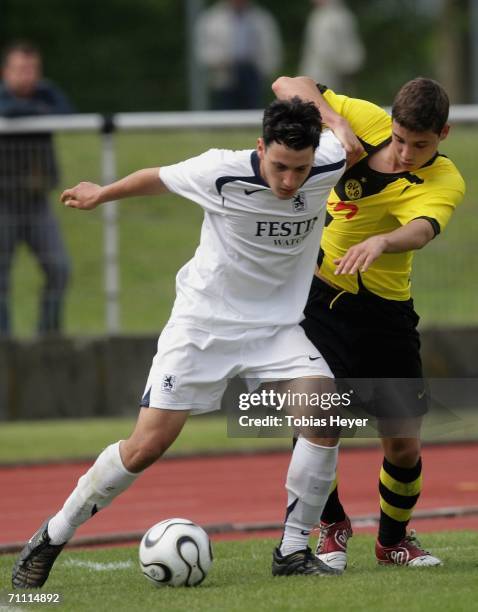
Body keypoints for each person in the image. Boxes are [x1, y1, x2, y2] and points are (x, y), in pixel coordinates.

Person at [12, 96, 348, 588]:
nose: (290, 181)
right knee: (146, 446)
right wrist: (101, 193)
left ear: (315, 156)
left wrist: (324, 107)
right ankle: (52, 535)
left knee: (325, 411)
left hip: (275, 331)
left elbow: (350, 141)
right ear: (260, 148)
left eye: (300, 169)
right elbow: (157, 176)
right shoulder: (221, 171)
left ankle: (293, 548)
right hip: (203, 326)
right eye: (279, 167)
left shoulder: (330, 162)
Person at [272, 75, 465, 568]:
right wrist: (334, 122)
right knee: (315, 415)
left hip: (386, 314)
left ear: (443, 134)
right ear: (390, 123)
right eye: (400, 139)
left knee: (402, 444)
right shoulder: (366, 121)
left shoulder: (445, 179)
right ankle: (330, 527)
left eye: (419, 144)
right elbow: (287, 83)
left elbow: (421, 230)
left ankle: (393, 541)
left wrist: (382, 242)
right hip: (322, 301)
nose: (404, 152)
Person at [0, 41, 73, 337]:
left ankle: (48, 336)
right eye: (19, 69)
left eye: (32, 69)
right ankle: (4, 343)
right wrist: (35, 113)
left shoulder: (48, 93)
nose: (26, 76)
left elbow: (68, 114)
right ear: (5, 72)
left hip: (37, 200)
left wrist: (28, 111)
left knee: (59, 267)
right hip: (3, 201)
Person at [195, 0, 283, 109]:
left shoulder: (261, 18)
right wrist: (223, 61)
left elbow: (271, 48)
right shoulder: (212, 18)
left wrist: (265, 71)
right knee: (225, 115)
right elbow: (204, 52)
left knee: (254, 114)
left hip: (253, 76)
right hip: (224, 76)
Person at [299, 0, 365, 92]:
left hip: (334, 75)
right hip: (319, 73)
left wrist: (347, 67)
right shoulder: (319, 16)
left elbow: (348, 48)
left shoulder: (337, 17)